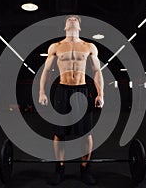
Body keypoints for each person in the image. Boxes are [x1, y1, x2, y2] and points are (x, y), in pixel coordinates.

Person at [39, 15, 104, 186]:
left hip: (82, 90)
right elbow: (46, 71)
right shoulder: (56, 46)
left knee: (85, 133)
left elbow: (97, 71)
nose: (72, 19)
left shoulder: (89, 46)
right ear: (65, 26)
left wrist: (100, 94)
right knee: (59, 133)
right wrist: (41, 92)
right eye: (69, 19)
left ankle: (85, 169)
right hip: (62, 90)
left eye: (75, 19)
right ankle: (59, 169)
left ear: (80, 27)